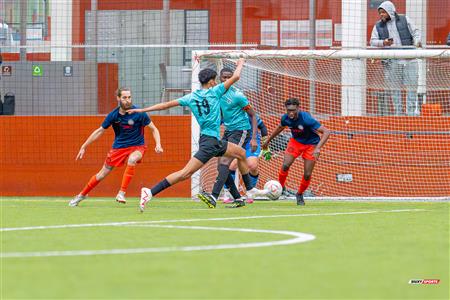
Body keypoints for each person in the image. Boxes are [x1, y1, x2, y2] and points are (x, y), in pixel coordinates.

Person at [127, 58, 262, 212]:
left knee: (241, 153)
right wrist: (240, 63)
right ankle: (150, 192)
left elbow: (165, 105)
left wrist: (142, 110)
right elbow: (236, 77)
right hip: (210, 143)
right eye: (215, 80)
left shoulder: (191, 97)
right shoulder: (215, 92)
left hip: (209, 140)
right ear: (211, 82)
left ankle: (249, 190)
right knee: (185, 173)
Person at [69, 87, 163, 206]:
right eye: (124, 98)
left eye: (129, 97)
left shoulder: (140, 113)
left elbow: (154, 129)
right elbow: (99, 131)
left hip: (137, 146)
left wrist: (158, 144)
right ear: (118, 98)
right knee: (101, 174)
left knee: (132, 159)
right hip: (119, 148)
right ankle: (81, 195)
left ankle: (121, 193)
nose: (128, 100)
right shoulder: (113, 115)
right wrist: (84, 146)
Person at [262, 98, 330, 206]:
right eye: (288, 110)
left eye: (293, 110)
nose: (291, 113)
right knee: (285, 165)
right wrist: (268, 141)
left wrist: (318, 148)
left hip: (312, 144)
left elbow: (326, 132)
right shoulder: (285, 118)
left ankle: (299, 194)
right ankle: (281, 187)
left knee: (307, 174)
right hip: (296, 142)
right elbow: (280, 127)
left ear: (298, 108)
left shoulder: (306, 118)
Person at [208, 67, 258, 208]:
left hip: (241, 130)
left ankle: (214, 195)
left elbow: (253, 115)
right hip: (229, 131)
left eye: (229, 77)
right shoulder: (217, 91)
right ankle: (238, 197)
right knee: (220, 166)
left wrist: (254, 138)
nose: (227, 79)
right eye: (224, 77)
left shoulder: (238, 95)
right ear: (220, 78)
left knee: (225, 162)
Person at [370, 1, 422, 116]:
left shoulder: (405, 19)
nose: (381, 15)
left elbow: (416, 32)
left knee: (412, 88)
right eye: (380, 13)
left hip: (410, 59)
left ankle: (411, 114)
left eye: (383, 12)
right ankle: (398, 115)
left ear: (390, 11)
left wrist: (417, 41)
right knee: (394, 89)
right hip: (391, 62)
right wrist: (383, 42)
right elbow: (372, 41)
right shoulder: (378, 25)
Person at [223, 114, 269, 204]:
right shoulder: (228, 111)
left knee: (252, 166)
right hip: (237, 139)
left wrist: (266, 147)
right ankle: (227, 192)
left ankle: (250, 192)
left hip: (251, 142)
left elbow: (263, 127)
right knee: (231, 165)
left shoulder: (248, 113)